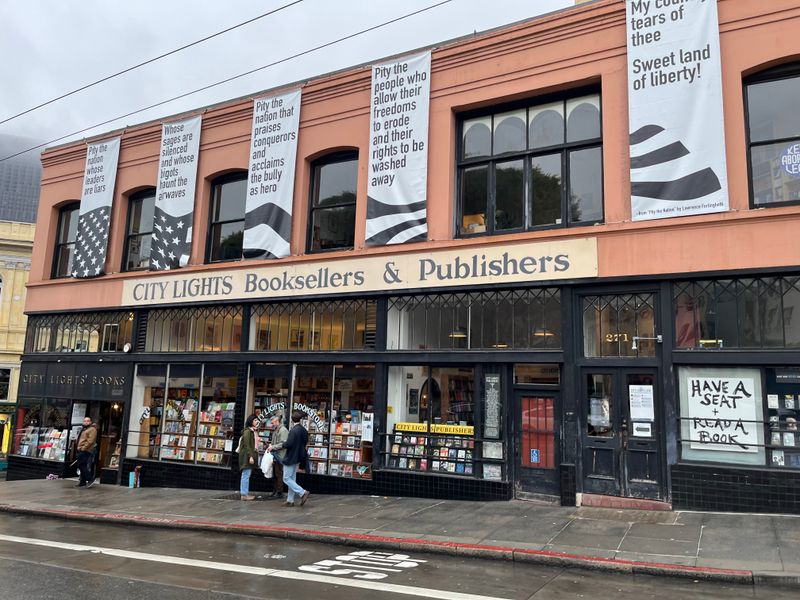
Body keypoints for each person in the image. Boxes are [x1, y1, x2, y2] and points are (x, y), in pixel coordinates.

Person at [276, 410, 309, 507]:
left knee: (286, 478)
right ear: (301, 419)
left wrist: (281, 444)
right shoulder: (303, 430)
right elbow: (305, 442)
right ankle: (290, 500)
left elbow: (289, 444)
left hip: (290, 457)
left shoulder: (293, 431)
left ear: (292, 420)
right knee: (292, 479)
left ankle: (302, 492)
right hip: (298, 457)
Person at [266, 415, 288, 498]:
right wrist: (271, 446)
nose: (271, 425)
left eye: (272, 423)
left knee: (279, 474)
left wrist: (272, 447)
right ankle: (275, 491)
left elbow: (284, 443)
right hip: (275, 455)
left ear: (277, 421)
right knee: (275, 474)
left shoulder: (283, 430)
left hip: (280, 456)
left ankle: (279, 492)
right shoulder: (276, 430)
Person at [238, 414, 259, 501]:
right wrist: (250, 456)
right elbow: (247, 445)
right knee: (245, 475)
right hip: (246, 456)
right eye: (255, 420)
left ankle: (245, 493)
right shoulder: (247, 432)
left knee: (247, 474)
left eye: (257, 420)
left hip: (249, 455)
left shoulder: (253, 431)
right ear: (251, 421)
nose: (256, 421)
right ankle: (244, 494)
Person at [76, 416, 98, 488]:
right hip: (81, 449)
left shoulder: (92, 429)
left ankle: (90, 479)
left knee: (81, 465)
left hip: (86, 450)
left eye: (88, 421)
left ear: (90, 422)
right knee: (81, 465)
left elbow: (90, 441)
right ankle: (82, 482)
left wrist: (83, 448)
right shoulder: (85, 429)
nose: (86, 422)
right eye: (85, 421)